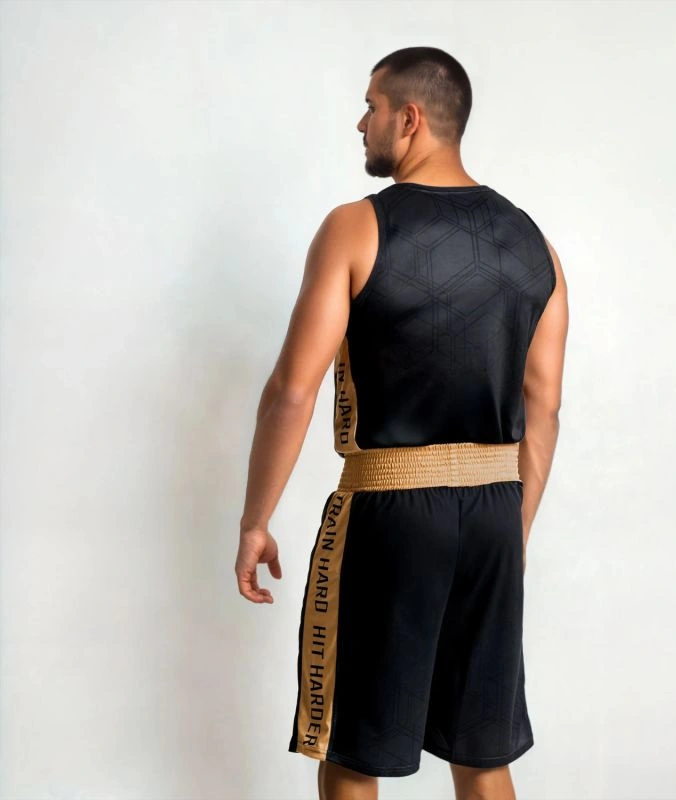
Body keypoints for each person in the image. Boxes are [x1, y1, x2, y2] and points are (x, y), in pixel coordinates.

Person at [236, 46, 568, 800]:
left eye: (372, 107)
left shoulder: (356, 228)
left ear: (409, 118)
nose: (362, 123)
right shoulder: (535, 243)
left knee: (355, 751)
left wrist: (256, 520)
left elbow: (292, 390)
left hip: (390, 514)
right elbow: (543, 407)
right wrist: (512, 532)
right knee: (482, 753)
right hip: (494, 514)